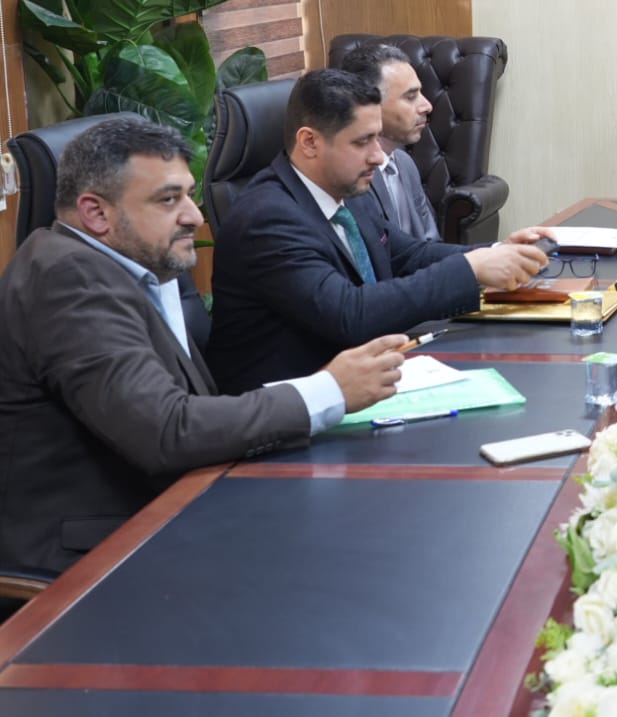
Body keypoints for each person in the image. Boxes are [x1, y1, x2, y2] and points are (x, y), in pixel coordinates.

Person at [0, 118, 407, 574]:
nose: (194, 216)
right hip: (92, 559)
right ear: (96, 214)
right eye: (168, 199)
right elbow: (165, 430)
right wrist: (329, 390)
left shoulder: (132, 264)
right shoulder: (67, 279)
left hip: (170, 512)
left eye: (189, 195)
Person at [207, 69, 551, 393]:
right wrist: (470, 269)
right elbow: (349, 314)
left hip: (364, 382)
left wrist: (494, 254)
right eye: (363, 141)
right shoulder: (266, 219)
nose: (378, 157)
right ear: (309, 142)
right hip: (289, 409)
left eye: (377, 137)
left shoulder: (346, 188)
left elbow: (406, 254)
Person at [339, 42, 441, 241]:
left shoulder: (405, 163)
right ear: (370, 103)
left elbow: (431, 243)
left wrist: (494, 251)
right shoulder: (352, 177)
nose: (427, 106)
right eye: (411, 97)